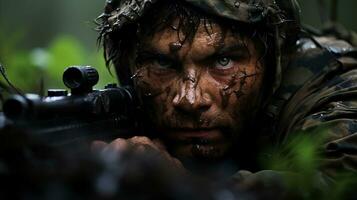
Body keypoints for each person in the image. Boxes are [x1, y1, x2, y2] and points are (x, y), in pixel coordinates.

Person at [94, 0, 357, 197]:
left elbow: (340, 183)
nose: (190, 100)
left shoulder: (334, 85)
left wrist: (182, 186)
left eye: (223, 61)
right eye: (162, 63)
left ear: (272, 59)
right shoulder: (129, 103)